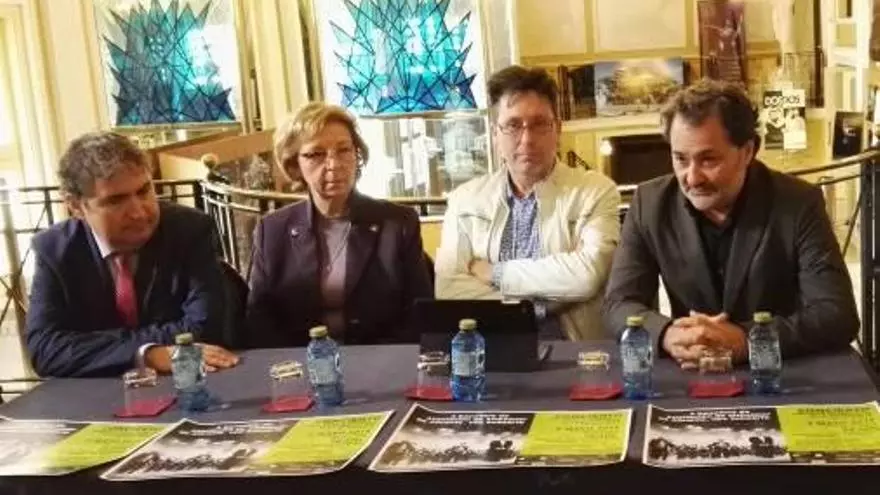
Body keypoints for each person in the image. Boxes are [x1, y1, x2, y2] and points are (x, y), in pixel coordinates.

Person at [602, 79, 859, 367]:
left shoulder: (799, 202)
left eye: (708, 160)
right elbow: (618, 305)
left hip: (779, 372)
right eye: (680, 159)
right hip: (691, 373)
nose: (692, 178)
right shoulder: (649, 204)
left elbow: (837, 314)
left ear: (748, 152)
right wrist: (667, 334)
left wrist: (745, 340)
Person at [26, 132, 239, 377]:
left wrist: (93, 345)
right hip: (97, 393)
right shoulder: (55, 251)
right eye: (116, 201)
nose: (139, 212)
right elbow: (45, 349)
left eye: (144, 191)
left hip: (188, 384)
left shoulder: (190, 230)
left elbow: (205, 329)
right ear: (75, 206)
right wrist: (148, 354)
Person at [434, 65, 621, 340]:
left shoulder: (594, 192)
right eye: (512, 125)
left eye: (539, 124)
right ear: (495, 135)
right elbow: (450, 290)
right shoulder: (466, 200)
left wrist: (495, 273)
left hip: (573, 350)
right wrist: (541, 304)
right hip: (490, 349)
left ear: (557, 129)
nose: (527, 139)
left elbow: (586, 276)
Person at [246, 102, 433, 347]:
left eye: (344, 150)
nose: (334, 164)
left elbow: (418, 315)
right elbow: (259, 320)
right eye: (316, 154)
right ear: (294, 164)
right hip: (299, 361)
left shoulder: (398, 224)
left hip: (379, 357)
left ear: (357, 155)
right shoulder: (272, 230)